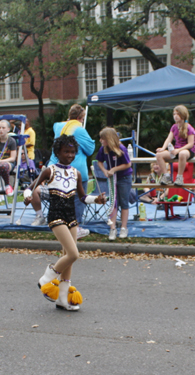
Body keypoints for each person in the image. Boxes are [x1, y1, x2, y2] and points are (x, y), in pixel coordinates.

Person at [25, 135, 105, 311]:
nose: (70, 155)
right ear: (57, 152)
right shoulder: (49, 170)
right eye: (66, 151)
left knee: (69, 260)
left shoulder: (75, 173)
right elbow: (29, 188)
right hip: (56, 216)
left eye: (73, 152)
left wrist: (96, 200)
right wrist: (27, 197)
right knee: (73, 254)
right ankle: (47, 278)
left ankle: (62, 299)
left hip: (72, 218)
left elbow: (83, 197)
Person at [47, 104, 96, 238]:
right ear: (81, 118)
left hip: (57, 169)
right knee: (78, 200)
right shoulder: (78, 129)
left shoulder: (58, 126)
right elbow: (90, 149)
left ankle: (60, 226)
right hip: (76, 169)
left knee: (60, 199)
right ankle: (76, 227)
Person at [96, 127, 133, 240]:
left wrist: (114, 169)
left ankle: (123, 227)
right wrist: (105, 171)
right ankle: (112, 228)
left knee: (123, 202)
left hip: (124, 178)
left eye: (102, 138)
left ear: (108, 138)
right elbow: (99, 162)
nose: (100, 141)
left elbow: (128, 164)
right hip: (112, 178)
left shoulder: (121, 149)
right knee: (113, 202)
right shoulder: (103, 149)